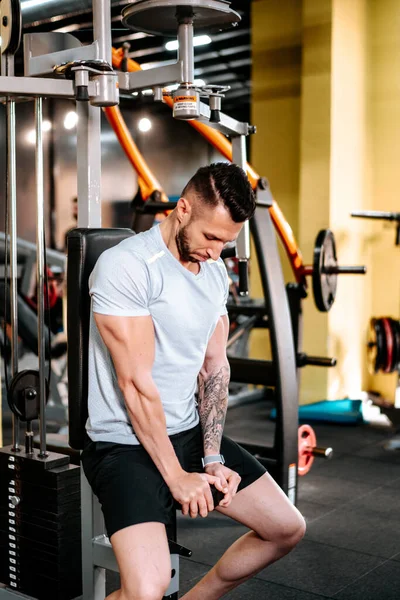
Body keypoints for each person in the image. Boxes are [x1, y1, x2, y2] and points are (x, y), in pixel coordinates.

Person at [81, 162, 306, 600]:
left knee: (286, 528)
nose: (217, 252)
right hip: (123, 442)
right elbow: (136, 385)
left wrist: (212, 455)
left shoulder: (215, 273)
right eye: (211, 237)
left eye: (227, 242)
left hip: (187, 431)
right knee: (145, 590)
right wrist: (177, 476)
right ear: (181, 210)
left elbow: (214, 367)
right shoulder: (126, 266)